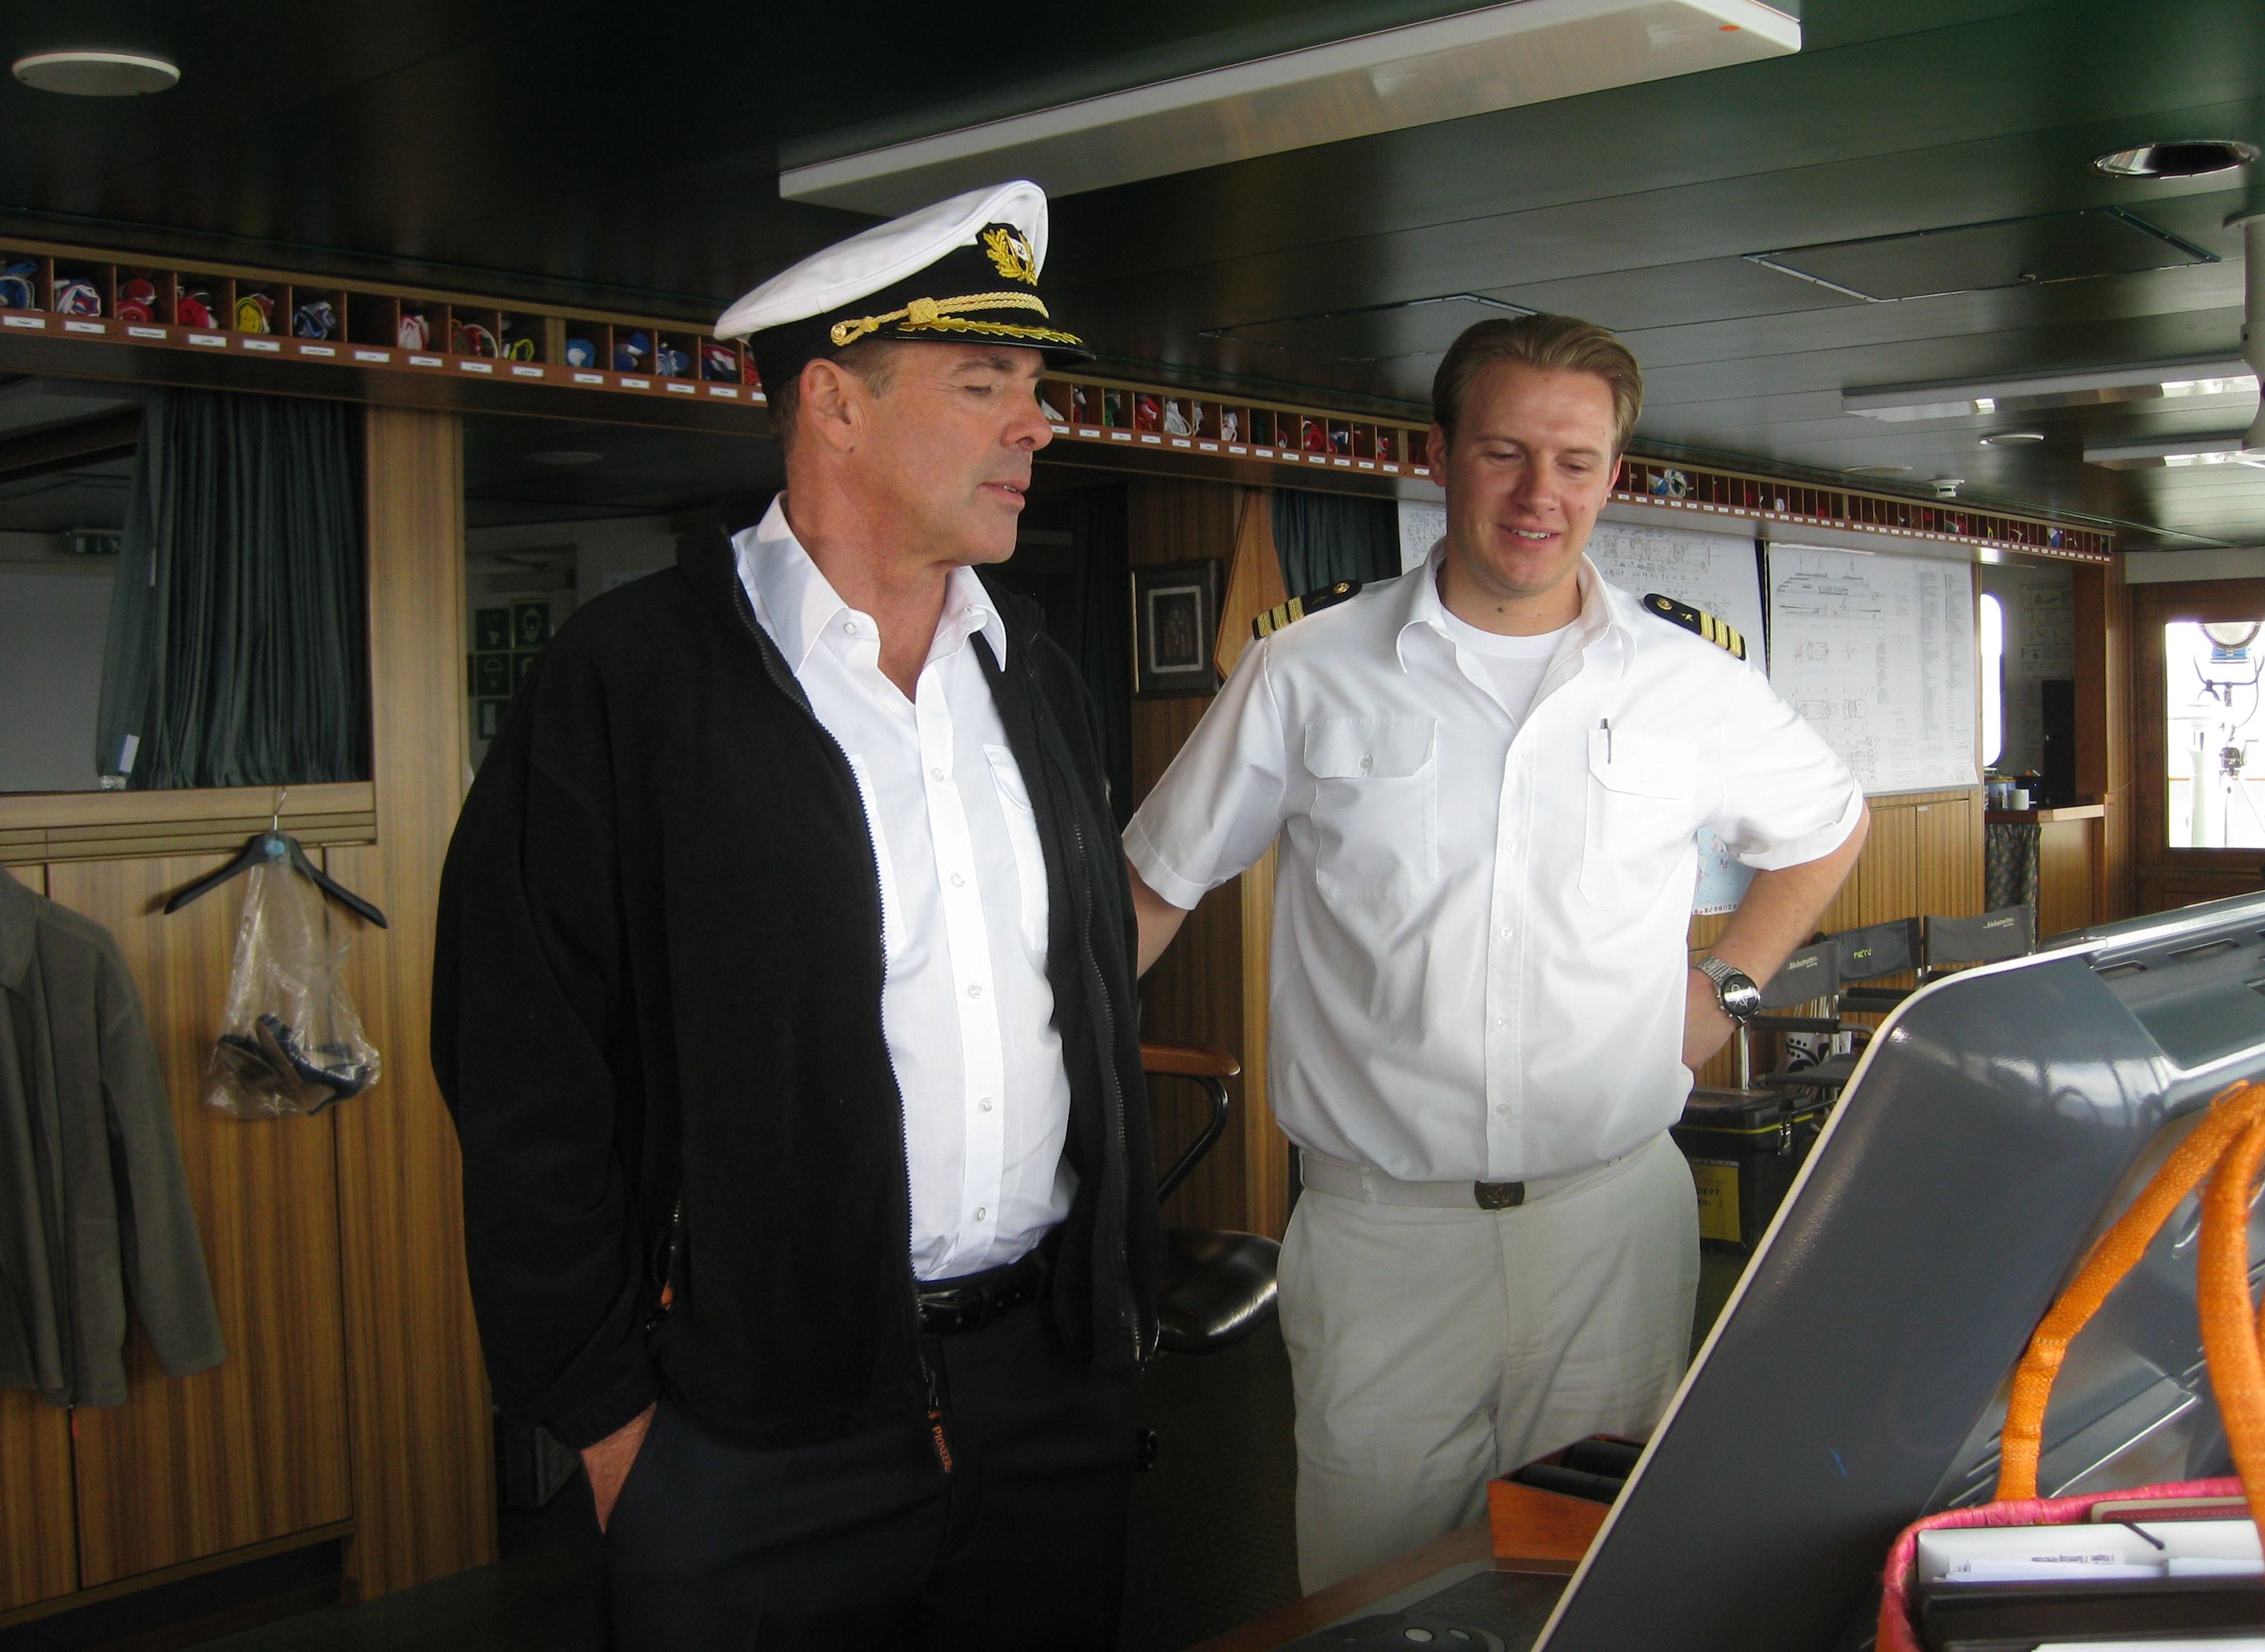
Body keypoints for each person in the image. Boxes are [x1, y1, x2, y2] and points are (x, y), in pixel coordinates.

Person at [432, 180, 1162, 1650]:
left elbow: (1077, 1001)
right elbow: (525, 1073)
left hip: (1042, 1392)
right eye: (983, 385)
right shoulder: (630, 682)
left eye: (1034, 388)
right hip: (749, 1429)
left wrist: (1106, 1333)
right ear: (832, 403)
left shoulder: (1037, 675)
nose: (1038, 424)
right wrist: (611, 1424)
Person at [1123, 314, 1868, 1591]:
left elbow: (1827, 825)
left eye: (1576, 461)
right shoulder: (1307, 671)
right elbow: (1153, 884)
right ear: (1442, 456)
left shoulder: (1688, 682)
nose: (1541, 494)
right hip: (1382, 1234)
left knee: (1588, 1572)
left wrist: (1727, 983)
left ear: (1613, 474)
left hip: (1612, 1217)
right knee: (1376, 1584)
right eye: (1507, 452)